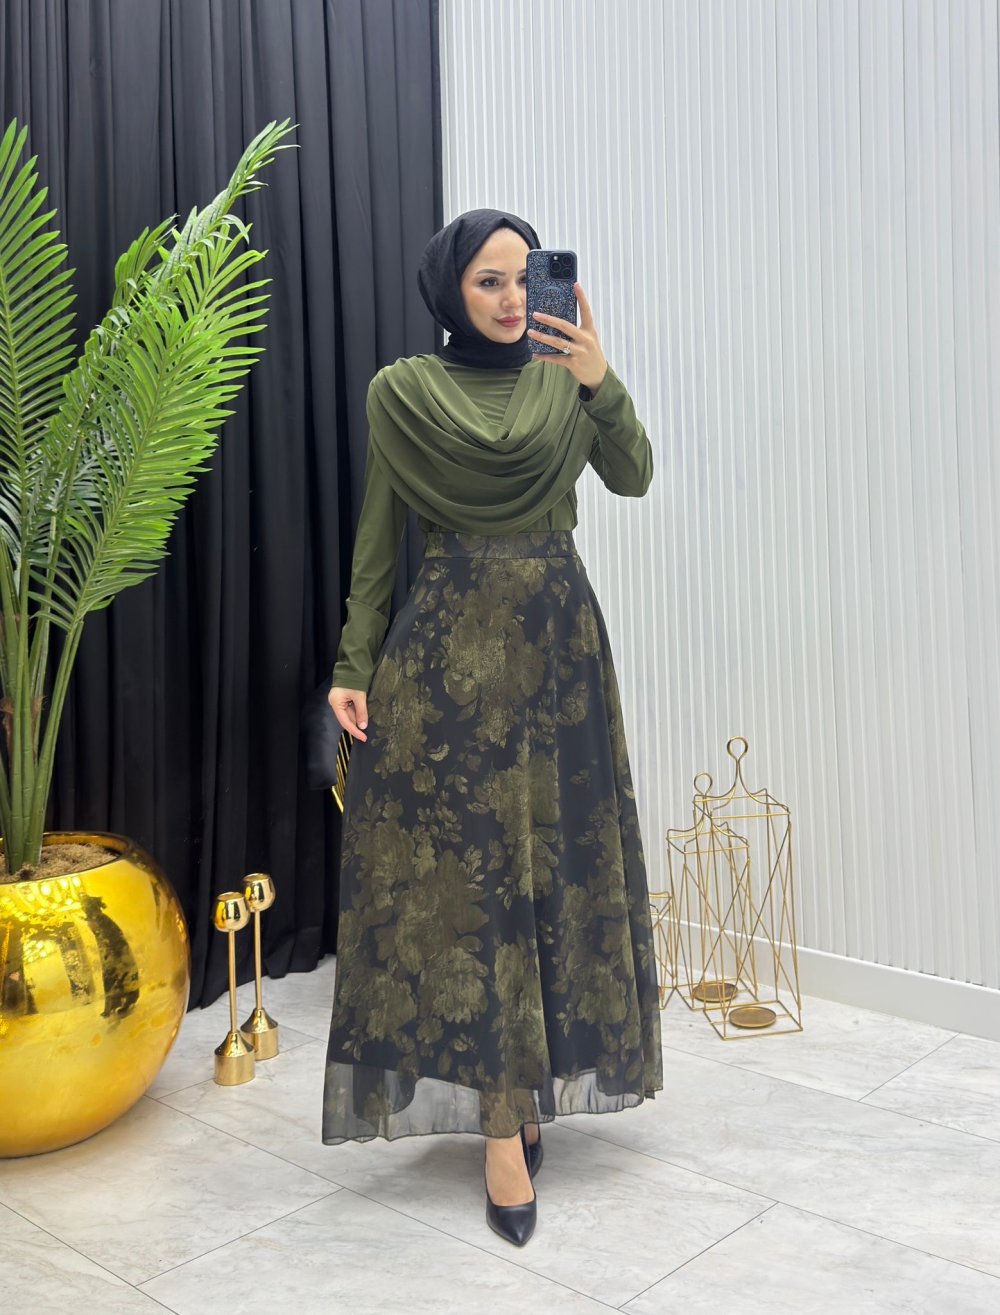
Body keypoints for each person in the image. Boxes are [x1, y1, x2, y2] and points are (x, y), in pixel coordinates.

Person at [323, 208, 663, 1247]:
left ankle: (521, 1090)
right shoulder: (404, 393)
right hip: (446, 651)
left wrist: (600, 381)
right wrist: (352, 662)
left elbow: (635, 474)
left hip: (558, 646)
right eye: (488, 280)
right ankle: (502, 1127)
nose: (514, 298)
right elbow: (380, 533)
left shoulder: (566, 380)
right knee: (470, 889)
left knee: (551, 870)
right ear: (450, 290)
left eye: (524, 277)